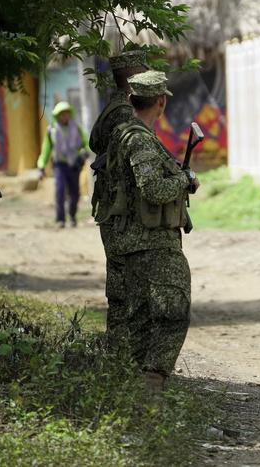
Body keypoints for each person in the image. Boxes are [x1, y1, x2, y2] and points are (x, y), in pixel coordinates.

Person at [103, 70, 198, 391]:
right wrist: (185, 180)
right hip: (152, 242)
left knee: (140, 319)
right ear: (160, 101)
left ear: (131, 100)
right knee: (173, 311)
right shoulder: (140, 139)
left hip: (133, 242)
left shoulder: (124, 133)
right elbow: (154, 190)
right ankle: (152, 382)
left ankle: (133, 387)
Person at [90, 47, 148, 348]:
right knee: (124, 283)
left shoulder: (111, 108)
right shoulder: (124, 112)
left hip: (111, 205)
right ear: (134, 76)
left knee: (120, 280)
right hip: (120, 208)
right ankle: (119, 352)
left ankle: (118, 350)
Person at [37, 101, 89, 228]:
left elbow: (86, 143)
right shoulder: (52, 130)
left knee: (74, 193)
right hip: (60, 165)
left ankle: (72, 215)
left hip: (74, 165)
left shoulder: (77, 128)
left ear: (69, 114)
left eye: (66, 114)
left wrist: (85, 152)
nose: (64, 116)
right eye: (61, 114)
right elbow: (46, 150)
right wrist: (41, 166)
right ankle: (60, 219)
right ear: (57, 116)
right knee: (59, 191)